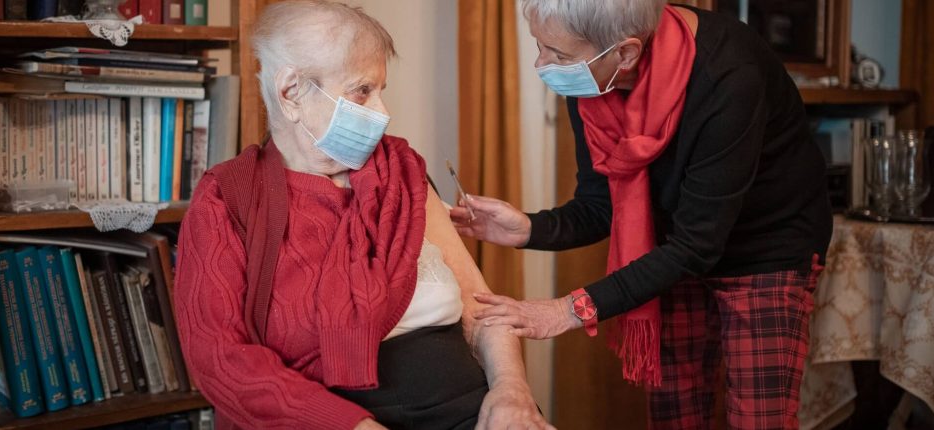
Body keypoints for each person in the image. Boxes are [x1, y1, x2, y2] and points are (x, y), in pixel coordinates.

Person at [451, 1, 833, 429]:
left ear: (626, 53)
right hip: (674, 249)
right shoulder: (592, 83)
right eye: (540, 46)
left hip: (765, 247)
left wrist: (566, 310)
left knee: (759, 419)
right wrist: (528, 229)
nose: (542, 64)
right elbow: (601, 205)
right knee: (675, 413)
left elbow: (697, 245)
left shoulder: (728, 76)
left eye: (557, 54)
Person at [174, 1, 551, 429]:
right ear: (291, 92)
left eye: (380, 89)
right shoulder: (227, 198)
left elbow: (480, 310)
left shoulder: (401, 171)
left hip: (472, 406)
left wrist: (511, 391)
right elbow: (220, 360)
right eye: (362, 90)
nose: (382, 112)